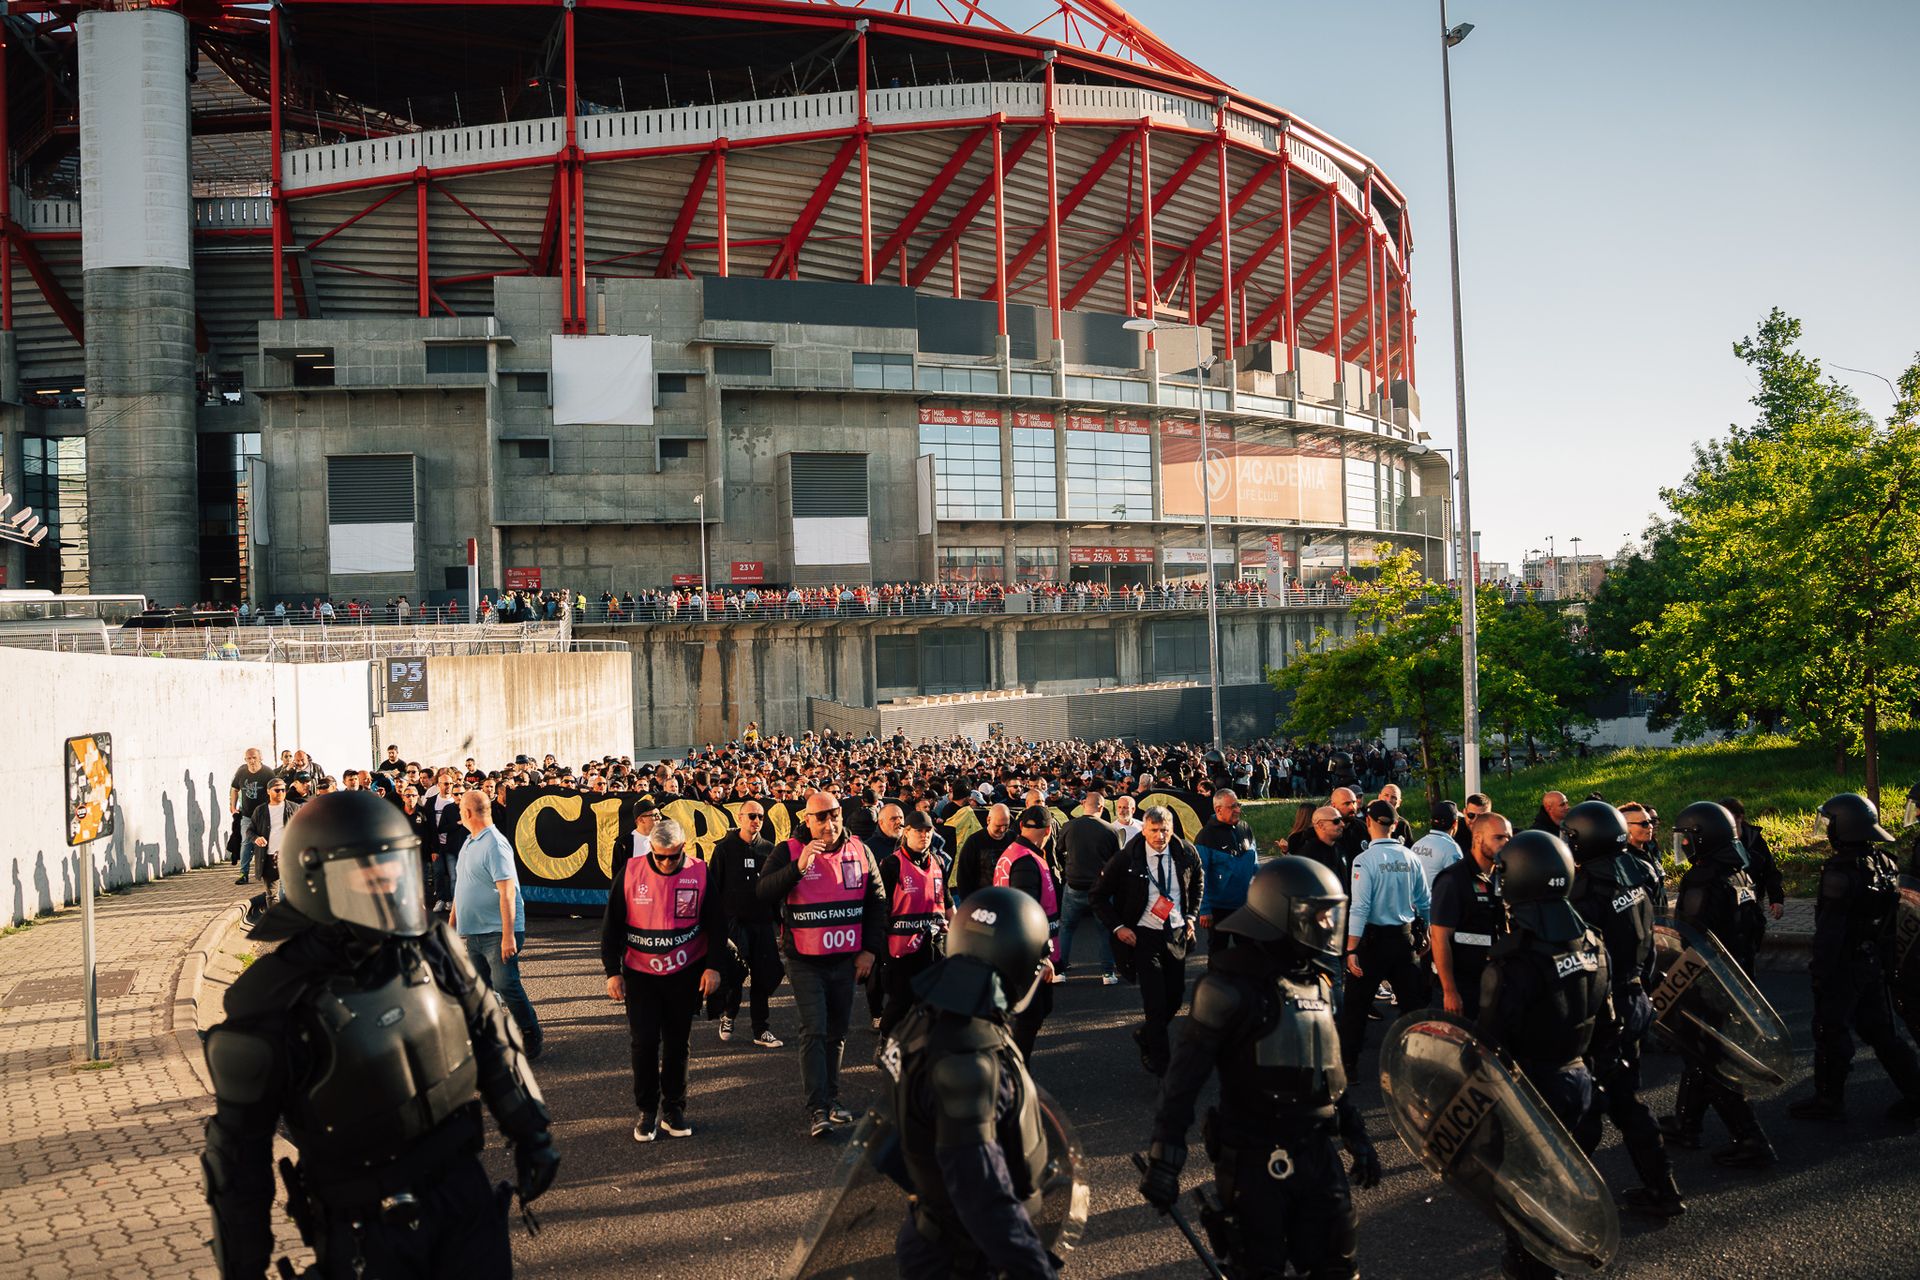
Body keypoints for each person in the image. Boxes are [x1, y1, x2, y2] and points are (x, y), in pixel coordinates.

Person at [200, 792, 558, 1279]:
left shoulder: (431, 945)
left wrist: (531, 1132)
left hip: (463, 1198)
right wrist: (243, 1263)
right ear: (318, 880)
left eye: (394, 867)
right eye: (370, 873)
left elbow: (492, 1035)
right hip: (364, 1224)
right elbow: (238, 1155)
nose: (389, 882)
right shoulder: (271, 997)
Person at [1139, 858, 1382, 1279]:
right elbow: (1183, 1080)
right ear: (1277, 910)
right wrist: (1165, 1158)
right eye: (1316, 914)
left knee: (1338, 1267)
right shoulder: (1227, 988)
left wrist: (1356, 1136)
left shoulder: (1318, 983)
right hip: (1256, 1157)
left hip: (1317, 1152)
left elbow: (1328, 1074)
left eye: (1330, 914)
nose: (1327, 925)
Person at [886, 887, 1055, 1280]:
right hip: (960, 1257)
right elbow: (985, 1198)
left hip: (935, 1235)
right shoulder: (967, 1061)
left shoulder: (929, 1016)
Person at [1477, 829, 1613, 1280]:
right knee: (1564, 1185)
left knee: (1528, 1204)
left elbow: (1489, 1043)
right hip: (1580, 1080)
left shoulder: (1515, 958)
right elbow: (1607, 1019)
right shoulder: (1592, 940)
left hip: (1530, 1092)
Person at [1561, 800, 1685, 1218]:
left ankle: (1567, 1199)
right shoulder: (1638, 869)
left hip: (1605, 1005)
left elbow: (1582, 958)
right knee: (1624, 1098)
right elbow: (1652, 933)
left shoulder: (1584, 888)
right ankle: (1661, 1187)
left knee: (1589, 1102)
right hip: (1635, 996)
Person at [756, 791, 888, 1138]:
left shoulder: (860, 849)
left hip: (846, 958)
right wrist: (797, 869)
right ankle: (817, 1108)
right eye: (820, 817)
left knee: (837, 1031)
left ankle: (831, 1098)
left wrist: (870, 950)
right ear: (808, 820)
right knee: (814, 1028)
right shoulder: (789, 850)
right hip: (804, 959)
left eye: (834, 815)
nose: (828, 823)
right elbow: (763, 892)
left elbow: (877, 902)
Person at [1788, 792, 1920, 1123]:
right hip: (1872, 960)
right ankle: (1916, 1092)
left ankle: (1828, 1099)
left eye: (1830, 823)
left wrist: (1820, 971)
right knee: (1881, 1032)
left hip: (1844, 963)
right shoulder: (1885, 861)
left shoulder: (1840, 871)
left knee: (1830, 1029)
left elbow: (1831, 931)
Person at [1658, 801, 1774, 1167]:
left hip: (1710, 982)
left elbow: (1692, 938)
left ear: (1701, 839)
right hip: (1737, 974)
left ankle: (1750, 1138)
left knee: (1710, 1059)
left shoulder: (1703, 878)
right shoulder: (1740, 873)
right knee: (1700, 1054)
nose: (1684, 846)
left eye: (1687, 839)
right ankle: (1686, 1123)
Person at [602, 817, 725, 1141]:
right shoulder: (631, 872)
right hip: (641, 975)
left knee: (677, 1043)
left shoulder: (699, 871)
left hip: (684, 973)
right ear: (651, 850)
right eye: (660, 856)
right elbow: (611, 927)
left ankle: (673, 1108)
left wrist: (713, 967)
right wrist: (612, 972)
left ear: (683, 848)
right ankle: (647, 1110)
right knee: (643, 1043)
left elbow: (716, 922)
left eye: (673, 856)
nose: (667, 862)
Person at [1092, 806, 1201, 1077]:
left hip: (1175, 933)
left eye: (1165, 830)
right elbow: (1098, 896)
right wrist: (1118, 927)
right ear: (1144, 829)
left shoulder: (1186, 852)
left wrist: (1190, 916)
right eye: (1154, 830)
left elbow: (1197, 882)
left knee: (1175, 998)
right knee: (1154, 1003)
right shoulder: (1127, 857)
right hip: (1143, 936)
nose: (1160, 836)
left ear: (1172, 829)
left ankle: (1146, 1035)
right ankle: (1165, 1069)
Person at [1335, 799, 1431, 1075]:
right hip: (1404, 940)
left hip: (1372, 943)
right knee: (1412, 1007)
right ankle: (1416, 1064)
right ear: (1395, 825)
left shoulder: (1364, 860)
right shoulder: (1410, 857)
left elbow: (1360, 906)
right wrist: (1426, 933)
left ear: (1369, 823)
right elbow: (1425, 901)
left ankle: (1349, 1065)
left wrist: (1351, 949)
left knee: (1356, 1007)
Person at [449, 791, 543, 1059]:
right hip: (475, 933)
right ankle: (492, 1038)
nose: (459, 814)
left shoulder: (495, 844)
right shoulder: (468, 842)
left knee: (506, 984)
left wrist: (508, 935)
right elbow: (462, 888)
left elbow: (508, 892)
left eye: (460, 809)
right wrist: (451, 925)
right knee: (481, 989)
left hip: (497, 932)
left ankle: (529, 1032)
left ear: (468, 813)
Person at [707, 801, 785, 1048]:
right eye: (751, 815)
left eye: (760, 816)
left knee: (763, 978)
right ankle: (729, 1015)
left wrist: (781, 926)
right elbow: (713, 890)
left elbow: (776, 891)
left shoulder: (769, 850)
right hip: (734, 925)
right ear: (740, 817)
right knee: (734, 977)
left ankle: (761, 1029)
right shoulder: (724, 849)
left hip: (762, 924)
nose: (756, 820)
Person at [993, 806, 1063, 1059]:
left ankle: (1009, 1061)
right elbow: (1026, 911)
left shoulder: (1015, 853)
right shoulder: (1026, 861)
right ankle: (1013, 1068)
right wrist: (1040, 957)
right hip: (1025, 952)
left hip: (1012, 945)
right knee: (1032, 1012)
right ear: (1048, 831)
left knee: (1040, 1007)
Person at [877, 811, 952, 1034]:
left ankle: (925, 1049)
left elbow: (947, 903)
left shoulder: (937, 861)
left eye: (928, 831)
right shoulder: (891, 864)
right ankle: (886, 1040)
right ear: (907, 832)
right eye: (919, 830)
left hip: (932, 944)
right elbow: (880, 907)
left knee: (933, 1000)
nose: (924, 835)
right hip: (901, 948)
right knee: (901, 1000)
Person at [1430, 812, 1509, 1020]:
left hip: (1494, 983)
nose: (1506, 843)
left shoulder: (1503, 877)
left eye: (1509, 837)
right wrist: (1450, 992)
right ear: (1477, 838)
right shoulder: (1453, 880)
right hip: (1462, 986)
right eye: (1499, 837)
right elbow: (1439, 938)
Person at [1057, 787, 1122, 986]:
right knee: (1105, 929)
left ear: (1084, 804)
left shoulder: (1068, 826)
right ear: (1101, 807)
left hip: (1074, 884)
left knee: (1066, 928)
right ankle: (1107, 973)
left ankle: (1060, 971)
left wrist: (1068, 869)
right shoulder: (1110, 830)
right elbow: (1116, 861)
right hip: (1100, 888)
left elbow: (1058, 851)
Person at [1194, 788, 1259, 949]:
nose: (1238, 810)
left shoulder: (1245, 828)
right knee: (1218, 953)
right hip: (1218, 910)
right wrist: (1205, 909)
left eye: (1238, 805)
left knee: (1248, 952)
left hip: (1245, 906)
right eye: (1232, 807)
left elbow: (1254, 862)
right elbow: (1201, 875)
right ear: (1218, 809)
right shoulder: (1205, 836)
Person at [1721, 798, 1787, 923]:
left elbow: (1770, 870)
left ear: (1740, 817)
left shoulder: (1753, 838)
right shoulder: (1716, 839)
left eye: (1728, 819)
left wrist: (1776, 900)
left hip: (1753, 901)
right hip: (1725, 902)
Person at [245, 777, 299, 905]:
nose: (281, 792)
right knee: (272, 895)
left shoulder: (294, 808)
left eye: (283, 790)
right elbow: (249, 831)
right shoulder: (260, 810)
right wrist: (256, 838)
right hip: (268, 858)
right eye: (277, 790)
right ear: (268, 791)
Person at [229, 747, 274, 880]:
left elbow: (276, 790)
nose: (252, 761)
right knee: (246, 843)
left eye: (254, 757)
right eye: (249, 758)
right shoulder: (241, 772)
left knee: (267, 843)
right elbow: (234, 789)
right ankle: (244, 873)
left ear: (260, 758)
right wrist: (233, 807)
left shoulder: (268, 773)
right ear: (245, 760)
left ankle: (267, 872)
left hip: (264, 815)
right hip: (247, 815)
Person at [953, 803, 1014, 899]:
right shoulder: (974, 842)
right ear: (988, 820)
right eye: (998, 826)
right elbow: (963, 877)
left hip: (1008, 898)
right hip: (982, 900)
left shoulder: (1013, 839)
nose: (1002, 830)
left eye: (1006, 825)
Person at [1410, 801, 1464, 891]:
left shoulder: (1417, 845)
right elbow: (1458, 883)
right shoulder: (1451, 848)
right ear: (1455, 823)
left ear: (1431, 821)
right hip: (1438, 903)